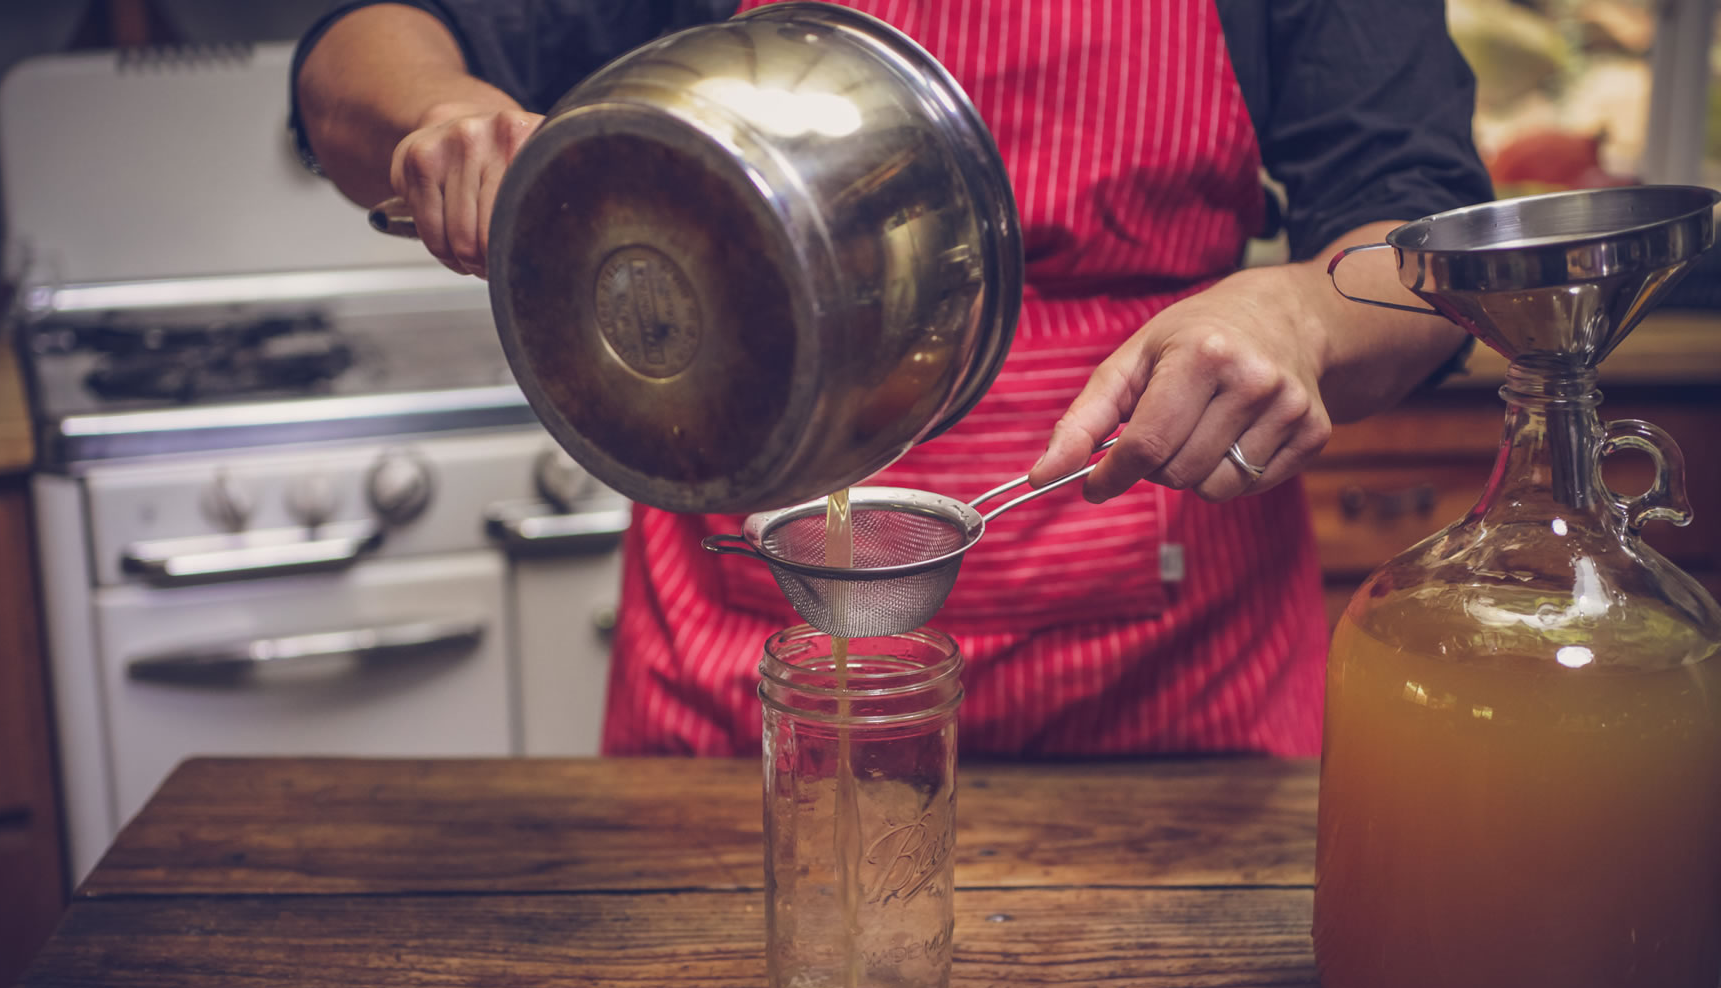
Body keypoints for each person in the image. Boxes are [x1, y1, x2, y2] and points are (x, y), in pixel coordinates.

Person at [292, 0, 1491, 759]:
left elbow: (1433, 241)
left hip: (1176, 712)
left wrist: (1297, 308)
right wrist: (444, 111)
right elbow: (355, 48)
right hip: (745, 708)